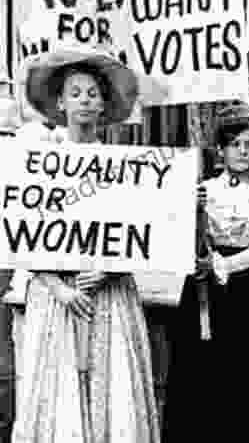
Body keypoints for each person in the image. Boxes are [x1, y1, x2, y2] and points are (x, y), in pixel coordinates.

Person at [10, 43, 162, 442]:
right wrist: (57, 285)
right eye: (75, 93)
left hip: (108, 292)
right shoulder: (39, 159)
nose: (84, 101)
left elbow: (144, 231)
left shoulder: (124, 163)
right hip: (57, 295)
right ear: (60, 102)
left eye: (92, 94)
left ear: (103, 106)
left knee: (111, 383)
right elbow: (23, 228)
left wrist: (111, 266)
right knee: (58, 388)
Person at [164, 100, 249, 443]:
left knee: (243, 377)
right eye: (235, 144)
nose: (243, 151)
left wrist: (225, 264)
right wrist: (190, 213)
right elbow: (173, 235)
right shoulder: (202, 189)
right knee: (197, 377)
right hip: (202, 288)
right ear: (221, 149)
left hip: (247, 288)